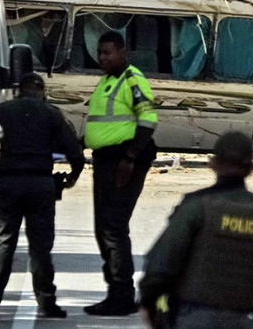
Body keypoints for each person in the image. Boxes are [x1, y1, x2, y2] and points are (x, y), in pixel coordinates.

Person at [138, 132, 253, 329]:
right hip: (243, 319)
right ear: (251, 168)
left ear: (213, 163)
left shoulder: (197, 207)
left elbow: (161, 263)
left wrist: (148, 302)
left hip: (193, 316)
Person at [0, 73, 84, 319]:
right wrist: (72, 177)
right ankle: (47, 302)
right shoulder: (51, 114)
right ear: (41, 90)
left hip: (9, 183)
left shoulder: (4, 111)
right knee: (41, 247)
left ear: (19, 90)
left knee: (2, 243)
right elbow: (75, 152)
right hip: (41, 184)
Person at [84, 30, 159, 316]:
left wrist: (130, 157)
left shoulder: (132, 79)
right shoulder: (107, 81)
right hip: (105, 160)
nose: (102, 58)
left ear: (122, 51)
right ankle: (116, 292)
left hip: (123, 160)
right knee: (103, 228)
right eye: (100, 53)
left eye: (108, 52)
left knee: (113, 227)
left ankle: (122, 296)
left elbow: (149, 120)